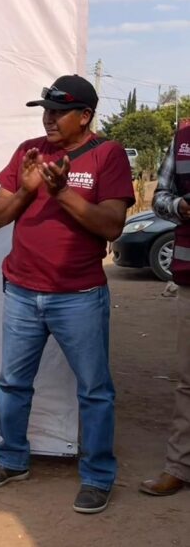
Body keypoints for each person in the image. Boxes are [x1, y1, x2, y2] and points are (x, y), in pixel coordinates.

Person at [0, 75, 134, 514]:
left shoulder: (108, 154)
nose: (49, 118)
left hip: (79, 295)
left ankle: (97, 477)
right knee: (12, 383)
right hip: (22, 292)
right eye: (46, 110)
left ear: (85, 116)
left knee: (94, 390)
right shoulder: (30, 151)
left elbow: (111, 225)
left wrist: (62, 193)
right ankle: (12, 459)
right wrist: (27, 189)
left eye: (60, 112)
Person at [140, 124, 190, 497]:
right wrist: (179, 206)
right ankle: (179, 466)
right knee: (189, 381)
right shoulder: (184, 139)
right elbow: (160, 197)